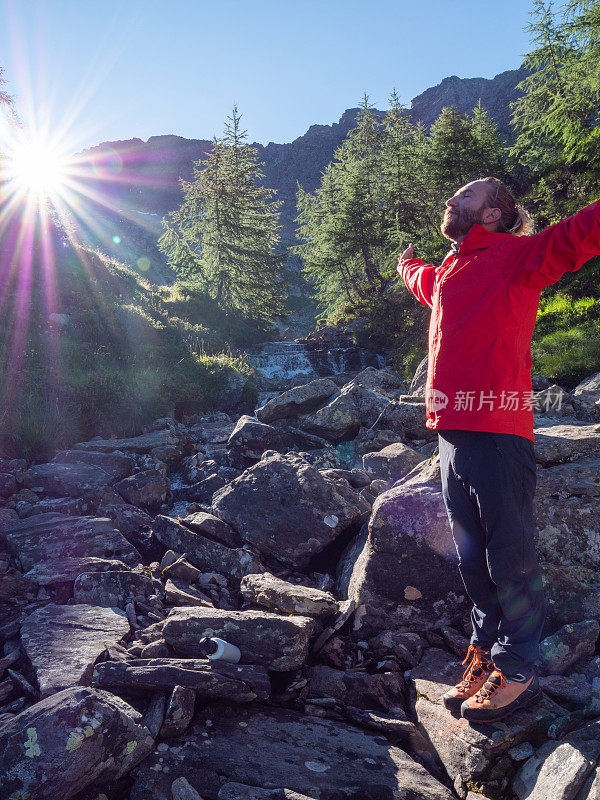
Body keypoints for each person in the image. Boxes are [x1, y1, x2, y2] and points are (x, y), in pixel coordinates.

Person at [397, 178, 600, 722]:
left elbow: (579, 233)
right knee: (471, 557)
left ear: (495, 212)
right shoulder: (451, 270)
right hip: (451, 432)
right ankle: (485, 655)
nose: (450, 200)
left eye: (464, 195)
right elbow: (427, 283)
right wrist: (407, 266)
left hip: (498, 428)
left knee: (510, 554)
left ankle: (521, 668)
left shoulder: (516, 257)